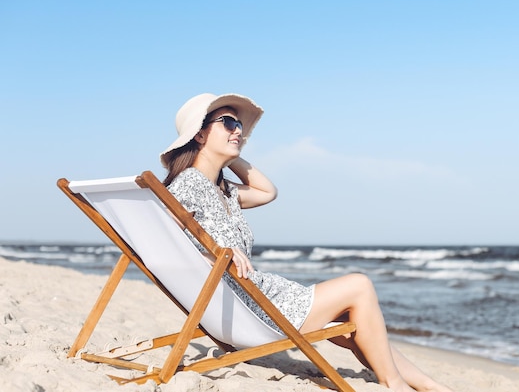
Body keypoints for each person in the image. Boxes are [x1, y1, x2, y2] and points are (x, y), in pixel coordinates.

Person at [160, 93, 453, 392]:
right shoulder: (187, 185)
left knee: (356, 327)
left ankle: (432, 387)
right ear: (199, 133)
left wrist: (232, 155)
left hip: (261, 299)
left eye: (239, 125)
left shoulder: (224, 191)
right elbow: (167, 245)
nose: (238, 131)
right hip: (249, 308)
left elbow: (267, 192)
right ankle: (394, 384)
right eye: (228, 123)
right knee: (359, 285)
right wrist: (217, 252)